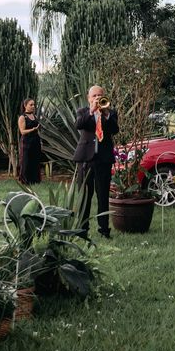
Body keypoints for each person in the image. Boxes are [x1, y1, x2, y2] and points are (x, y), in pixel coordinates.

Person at [73, 85, 119, 239]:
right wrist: (92, 111)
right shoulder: (83, 112)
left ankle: (104, 229)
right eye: (94, 96)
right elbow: (79, 125)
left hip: (103, 159)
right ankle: (82, 229)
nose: (97, 98)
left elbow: (115, 130)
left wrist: (105, 114)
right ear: (88, 98)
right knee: (85, 195)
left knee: (103, 195)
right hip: (85, 159)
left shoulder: (110, 113)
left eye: (100, 95)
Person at [18, 98, 42, 185]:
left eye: (34, 105)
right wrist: (33, 129)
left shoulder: (34, 116)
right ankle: (25, 180)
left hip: (35, 141)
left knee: (35, 160)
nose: (33, 106)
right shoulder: (22, 117)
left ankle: (35, 180)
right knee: (26, 160)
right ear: (25, 106)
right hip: (26, 142)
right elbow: (22, 131)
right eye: (31, 105)